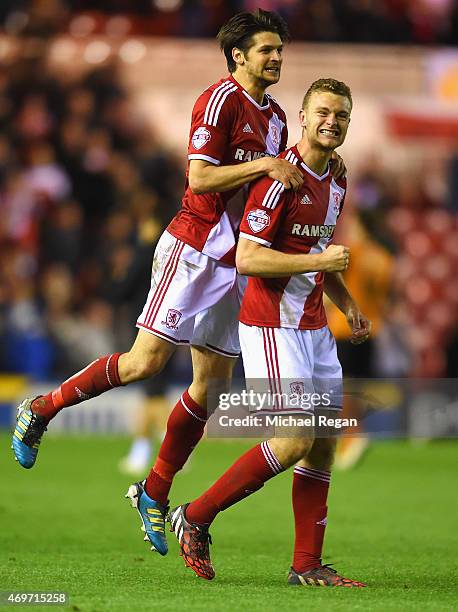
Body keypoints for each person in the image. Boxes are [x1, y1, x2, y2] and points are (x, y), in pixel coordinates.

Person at [11, 9, 301, 556]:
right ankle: (41, 409)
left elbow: (270, 192)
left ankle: (153, 490)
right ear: (239, 56)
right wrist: (264, 165)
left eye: (279, 49)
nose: (277, 57)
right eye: (266, 49)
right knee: (146, 362)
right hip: (193, 247)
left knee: (210, 388)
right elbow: (200, 177)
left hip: (235, 262)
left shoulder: (280, 117)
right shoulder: (217, 102)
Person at [169, 78, 371, 588]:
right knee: (294, 438)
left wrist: (348, 305)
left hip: (315, 327)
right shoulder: (281, 178)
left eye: (341, 115)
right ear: (302, 117)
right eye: (323, 111)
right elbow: (248, 257)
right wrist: (319, 259)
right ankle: (196, 514)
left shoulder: (338, 181)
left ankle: (306, 564)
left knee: (324, 441)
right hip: (270, 326)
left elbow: (317, 253)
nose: (332, 121)